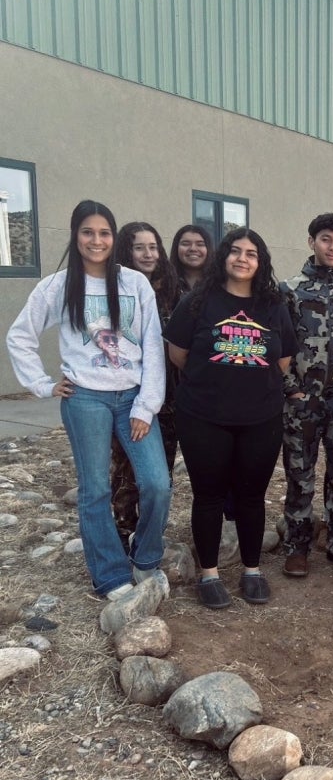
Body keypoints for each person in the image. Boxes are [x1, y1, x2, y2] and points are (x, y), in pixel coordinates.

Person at [6, 200, 170, 603]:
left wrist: (146, 405)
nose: (96, 240)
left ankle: (146, 558)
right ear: (75, 235)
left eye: (104, 233)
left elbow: (151, 345)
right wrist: (43, 385)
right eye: (87, 232)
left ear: (114, 238)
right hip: (85, 401)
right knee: (94, 489)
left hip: (132, 396)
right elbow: (20, 336)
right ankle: (110, 573)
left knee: (157, 483)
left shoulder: (134, 283)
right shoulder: (57, 287)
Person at [165, 227, 296, 609]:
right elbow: (179, 354)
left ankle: (252, 571)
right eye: (235, 251)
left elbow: (283, 359)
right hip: (204, 416)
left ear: (261, 262)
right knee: (208, 495)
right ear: (223, 256)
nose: (242, 258)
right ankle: (209, 575)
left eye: (251, 253)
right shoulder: (197, 301)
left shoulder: (273, 306)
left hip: (261, 417)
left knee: (252, 497)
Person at [280, 212, 333, 578]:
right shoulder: (291, 289)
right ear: (312, 241)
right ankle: (297, 545)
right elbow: (279, 345)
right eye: (326, 239)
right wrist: (291, 389)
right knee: (299, 475)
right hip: (302, 400)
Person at [111, 222, 181, 548]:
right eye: (140, 247)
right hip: (124, 396)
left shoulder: (173, 291)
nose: (148, 253)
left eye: (153, 246)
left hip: (168, 398)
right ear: (126, 250)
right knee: (126, 471)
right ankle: (124, 532)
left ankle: (151, 536)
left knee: (160, 475)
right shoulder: (113, 289)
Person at [171, 224, 214, 293]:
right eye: (185, 244)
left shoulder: (220, 282)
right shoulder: (164, 282)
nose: (193, 249)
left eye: (200, 244)